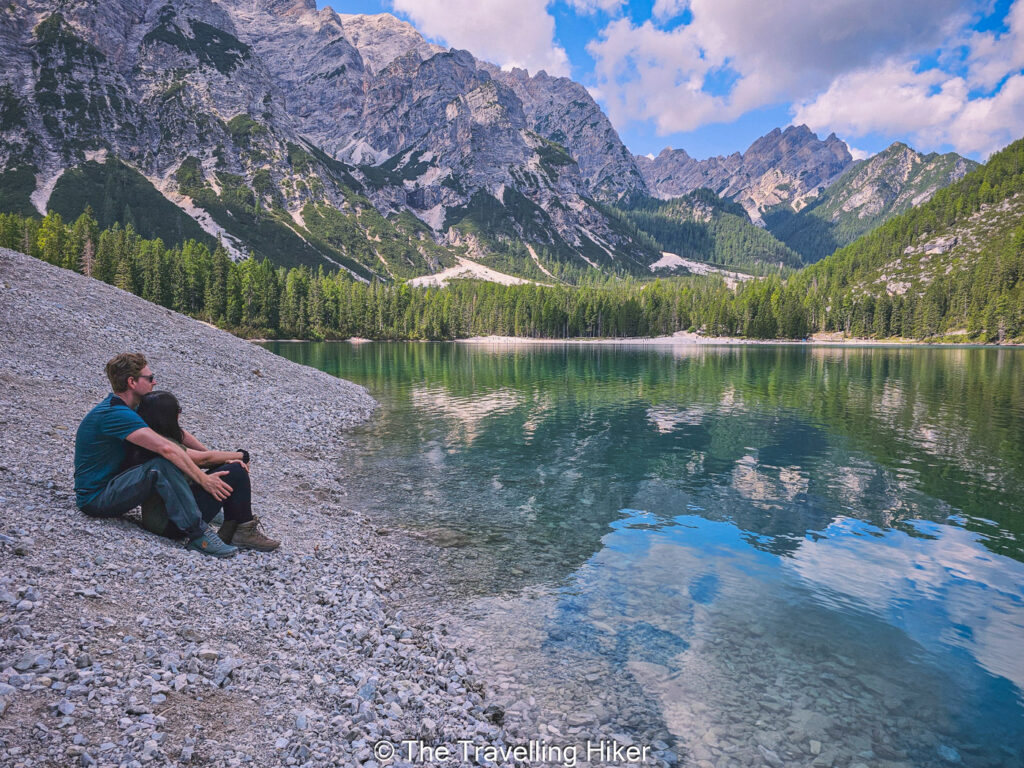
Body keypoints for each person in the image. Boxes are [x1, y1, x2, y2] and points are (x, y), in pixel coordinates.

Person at [74, 353, 238, 557]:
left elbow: (176, 432)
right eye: (150, 378)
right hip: (97, 498)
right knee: (160, 465)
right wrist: (204, 479)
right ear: (132, 382)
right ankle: (198, 535)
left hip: (117, 483)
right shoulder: (115, 414)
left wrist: (214, 455)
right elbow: (167, 448)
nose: (155, 382)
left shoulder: (130, 407)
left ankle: (202, 511)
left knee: (166, 461)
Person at [124, 391, 280, 551]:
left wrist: (225, 461)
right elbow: (203, 459)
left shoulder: (149, 437)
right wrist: (242, 455)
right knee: (237, 470)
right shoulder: (165, 444)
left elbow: (202, 453)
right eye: (178, 411)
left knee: (231, 468)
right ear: (169, 417)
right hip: (171, 523)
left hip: (162, 517)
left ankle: (233, 530)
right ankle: (243, 532)